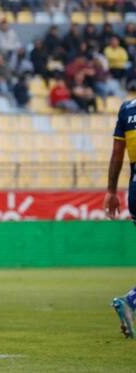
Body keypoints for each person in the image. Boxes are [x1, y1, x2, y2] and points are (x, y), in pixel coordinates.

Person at [106, 97, 136, 338]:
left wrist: (112, 191)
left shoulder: (128, 109)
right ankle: (130, 301)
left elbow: (117, 154)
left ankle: (130, 301)